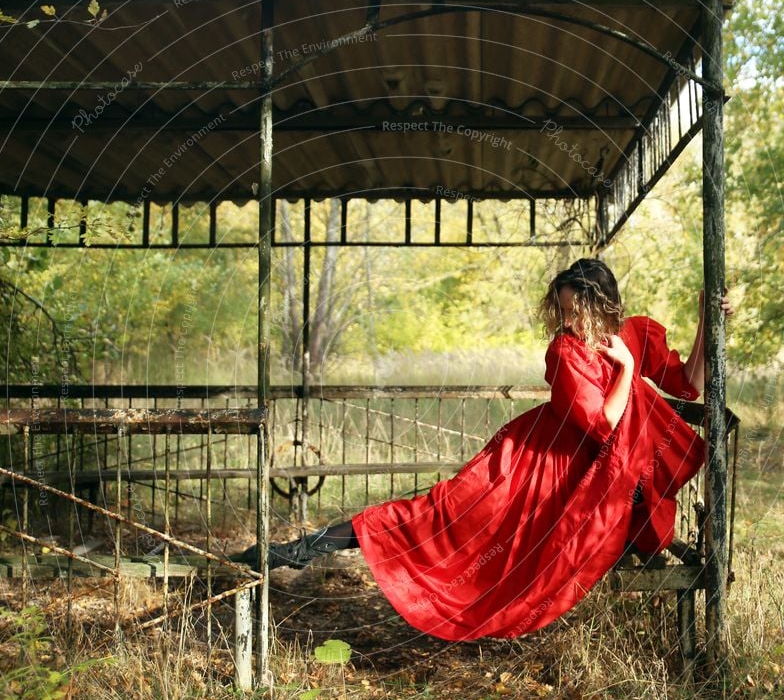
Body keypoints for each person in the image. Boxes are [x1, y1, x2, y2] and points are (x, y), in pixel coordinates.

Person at [234, 259, 734, 641]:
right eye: (561, 311)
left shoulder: (632, 335)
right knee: (441, 516)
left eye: (575, 311)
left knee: (459, 528)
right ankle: (297, 549)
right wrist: (626, 370)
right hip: (528, 467)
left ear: (604, 305)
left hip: (570, 478)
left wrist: (708, 320)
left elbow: (688, 381)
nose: (568, 321)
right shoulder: (564, 353)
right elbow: (604, 425)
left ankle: (300, 549)